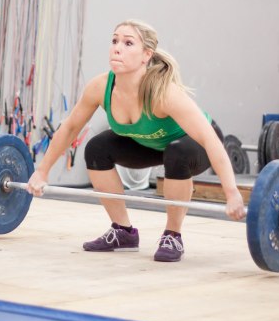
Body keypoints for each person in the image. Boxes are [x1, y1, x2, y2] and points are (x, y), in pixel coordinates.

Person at [27, 19, 245, 262]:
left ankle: (173, 235)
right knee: (96, 149)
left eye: (128, 43)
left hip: (194, 144)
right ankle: (123, 232)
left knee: (177, 153)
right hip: (150, 143)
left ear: (146, 55)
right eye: (114, 41)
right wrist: (42, 171)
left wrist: (232, 193)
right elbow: (70, 128)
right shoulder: (100, 87)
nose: (117, 48)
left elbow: (209, 139)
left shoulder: (163, 92)